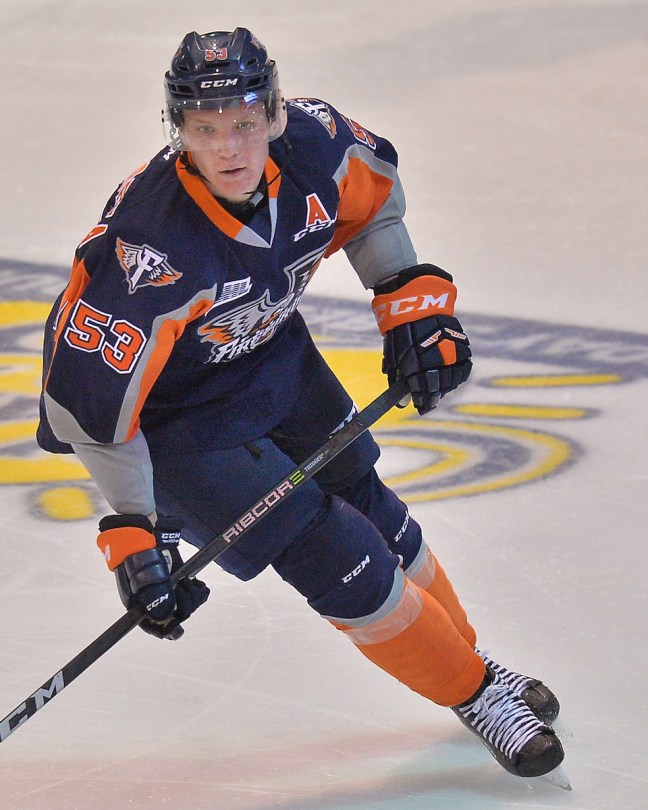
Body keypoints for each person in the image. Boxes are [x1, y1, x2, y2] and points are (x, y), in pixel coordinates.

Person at [37, 27, 564, 780]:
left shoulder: (315, 142)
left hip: (270, 357)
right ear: (177, 131)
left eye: (245, 122)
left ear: (276, 115)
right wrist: (133, 532)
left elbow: (375, 204)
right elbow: (83, 410)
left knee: (369, 504)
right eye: (206, 129)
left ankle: (469, 666)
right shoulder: (147, 251)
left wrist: (410, 302)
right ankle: (478, 693)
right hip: (177, 422)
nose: (229, 147)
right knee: (331, 549)